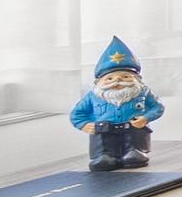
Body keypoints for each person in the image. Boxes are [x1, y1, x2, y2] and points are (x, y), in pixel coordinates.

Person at [69, 36, 165, 170]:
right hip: (104, 131)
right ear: (99, 82)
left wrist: (146, 118)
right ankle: (104, 155)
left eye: (125, 77)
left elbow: (157, 107)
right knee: (104, 155)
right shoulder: (93, 96)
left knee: (134, 150)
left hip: (133, 129)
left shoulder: (142, 92)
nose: (118, 81)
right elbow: (76, 114)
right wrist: (84, 124)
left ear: (137, 79)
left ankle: (135, 151)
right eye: (110, 78)